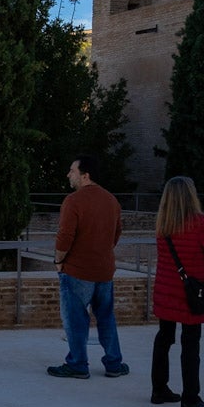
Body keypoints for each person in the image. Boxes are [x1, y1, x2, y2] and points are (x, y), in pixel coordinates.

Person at [48, 155, 128, 379]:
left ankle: (77, 364)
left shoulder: (73, 201)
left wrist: (58, 261)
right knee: (106, 316)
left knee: (75, 319)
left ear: (85, 175)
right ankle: (114, 363)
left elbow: (64, 237)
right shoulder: (112, 200)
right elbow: (117, 233)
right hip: (104, 270)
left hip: (77, 270)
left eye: (72, 171)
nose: (68, 175)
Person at [151, 176, 204, 407]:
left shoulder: (163, 225)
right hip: (189, 294)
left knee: (164, 338)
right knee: (190, 344)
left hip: (165, 290)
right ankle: (190, 398)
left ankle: (159, 389)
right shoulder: (200, 223)